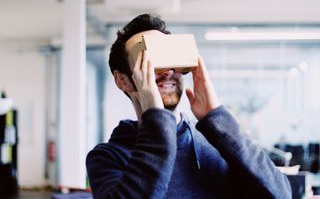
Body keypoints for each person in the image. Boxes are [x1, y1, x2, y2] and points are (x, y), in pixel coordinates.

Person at [86, 14, 292, 199]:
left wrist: (217, 116)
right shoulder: (107, 158)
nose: (167, 70)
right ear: (122, 80)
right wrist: (156, 118)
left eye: (170, 57)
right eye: (149, 62)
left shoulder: (217, 142)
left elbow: (280, 194)